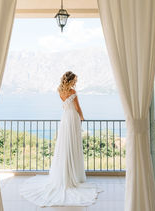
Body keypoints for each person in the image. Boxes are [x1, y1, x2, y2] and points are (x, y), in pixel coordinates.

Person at [20, 71, 101, 207]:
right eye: (75, 80)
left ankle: (65, 174)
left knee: (65, 145)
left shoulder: (60, 91)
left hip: (65, 119)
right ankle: (73, 175)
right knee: (72, 145)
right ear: (70, 80)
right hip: (73, 118)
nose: (76, 82)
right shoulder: (72, 91)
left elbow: (67, 105)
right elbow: (78, 107)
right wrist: (82, 117)